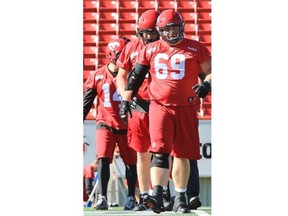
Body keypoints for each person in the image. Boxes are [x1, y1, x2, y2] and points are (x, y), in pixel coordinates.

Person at [119, 9, 211, 214]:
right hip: (159, 106)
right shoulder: (150, 49)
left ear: (182, 27)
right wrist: (125, 100)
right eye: (167, 30)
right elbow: (135, 77)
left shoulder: (196, 48)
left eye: (175, 28)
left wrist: (207, 84)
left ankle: (180, 197)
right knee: (159, 152)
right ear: (160, 31)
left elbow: (211, 71)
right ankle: (157, 196)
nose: (171, 33)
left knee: (182, 154)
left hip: (186, 107)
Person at [116, 9, 165, 211]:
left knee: (162, 151)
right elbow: (121, 74)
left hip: (161, 102)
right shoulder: (131, 47)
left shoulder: (166, 47)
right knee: (142, 152)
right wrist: (124, 96)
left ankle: (161, 192)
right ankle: (144, 195)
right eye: (147, 32)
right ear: (139, 31)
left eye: (154, 32)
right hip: (139, 103)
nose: (150, 36)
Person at [83, 37, 138, 210]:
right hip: (105, 123)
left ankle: (130, 198)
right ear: (112, 55)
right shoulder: (98, 75)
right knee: (103, 159)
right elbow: (86, 101)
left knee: (131, 163)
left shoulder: (132, 73)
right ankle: (102, 197)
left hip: (127, 125)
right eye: (121, 55)